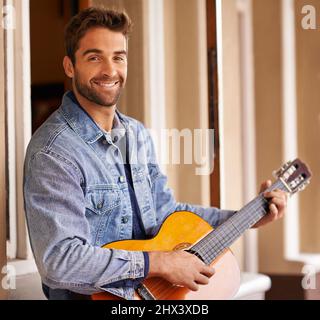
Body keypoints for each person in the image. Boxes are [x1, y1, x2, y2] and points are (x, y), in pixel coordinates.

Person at [23, 7, 288, 300]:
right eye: (95, 57)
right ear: (70, 66)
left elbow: (165, 214)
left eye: (118, 57)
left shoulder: (135, 135)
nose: (110, 70)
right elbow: (60, 261)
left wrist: (247, 217)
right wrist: (159, 263)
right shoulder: (52, 152)